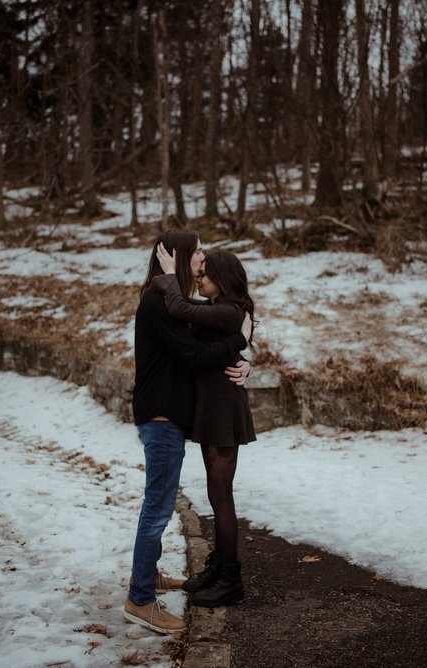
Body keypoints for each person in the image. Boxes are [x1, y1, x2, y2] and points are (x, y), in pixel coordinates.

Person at [124, 229, 252, 635]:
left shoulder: (172, 304)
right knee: (158, 509)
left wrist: (242, 357)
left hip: (169, 417)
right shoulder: (160, 304)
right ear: (177, 258)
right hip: (161, 418)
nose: (203, 258)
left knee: (159, 506)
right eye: (197, 252)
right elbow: (197, 354)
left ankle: (148, 577)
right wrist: (239, 340)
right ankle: (140, 599)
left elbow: (210, 323)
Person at [152, 246, 256, 608]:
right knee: (216, 496)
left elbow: (180, 307)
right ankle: (220, 568)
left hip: (223, 410)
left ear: (223, 278)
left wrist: (168, 275)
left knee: (222, 497)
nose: (199, 278)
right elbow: (223, 347)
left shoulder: (231, 310)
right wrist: (244, 358)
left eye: (204, 274)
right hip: (213, 407)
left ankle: (231, 580)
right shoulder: (223, 311)